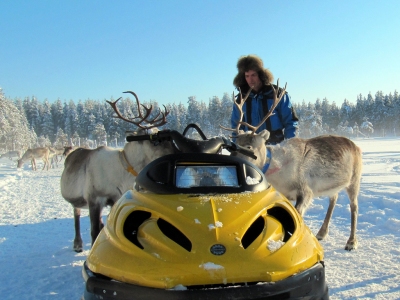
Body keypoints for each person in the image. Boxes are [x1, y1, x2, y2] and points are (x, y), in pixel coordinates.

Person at [231, 54, 299, 144]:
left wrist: (290, 146)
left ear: (261, 75)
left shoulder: (277, 94)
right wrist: (237, 147)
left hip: (276, 147)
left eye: (253, 75)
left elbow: (290, 123)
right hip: (251, 148)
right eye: (247, 76)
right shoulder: (241, 100)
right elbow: (236, 127)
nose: (250, 79)